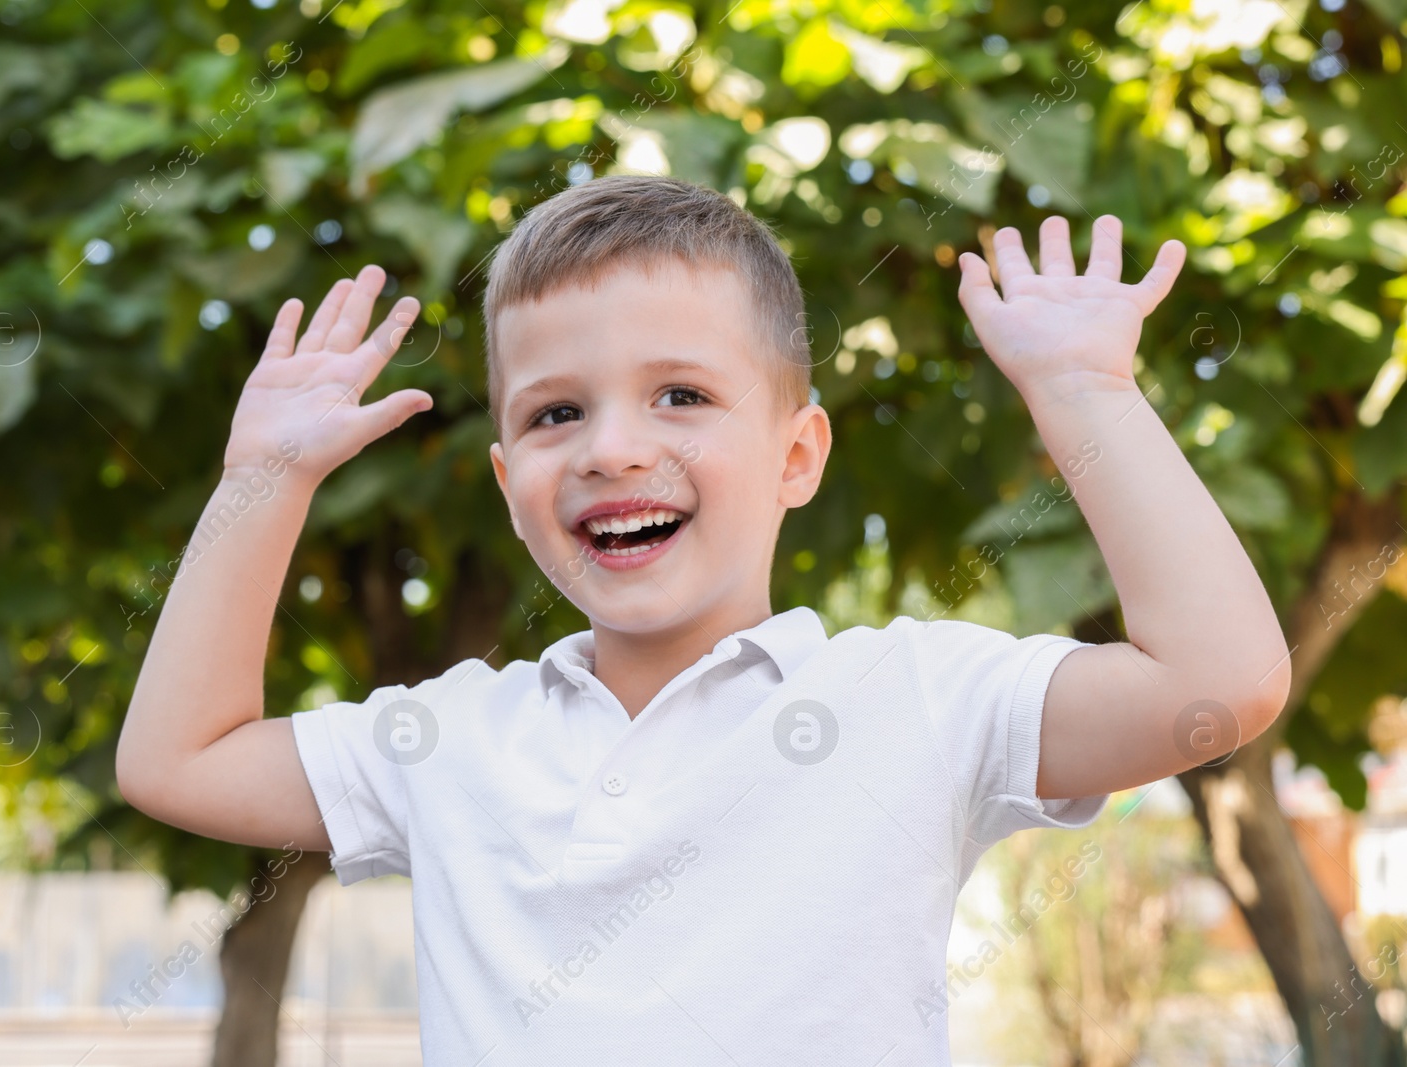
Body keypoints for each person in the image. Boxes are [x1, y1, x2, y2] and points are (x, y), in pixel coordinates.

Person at [116, 174, 1291, 1064]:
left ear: (796, 453)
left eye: (680, 394)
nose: (613, 445)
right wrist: (260, 482)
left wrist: (1085, 393)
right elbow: (181, 760)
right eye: (555, 412)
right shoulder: (450, 737)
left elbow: (1219, 682)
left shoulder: (916, 699)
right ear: (506, 479)